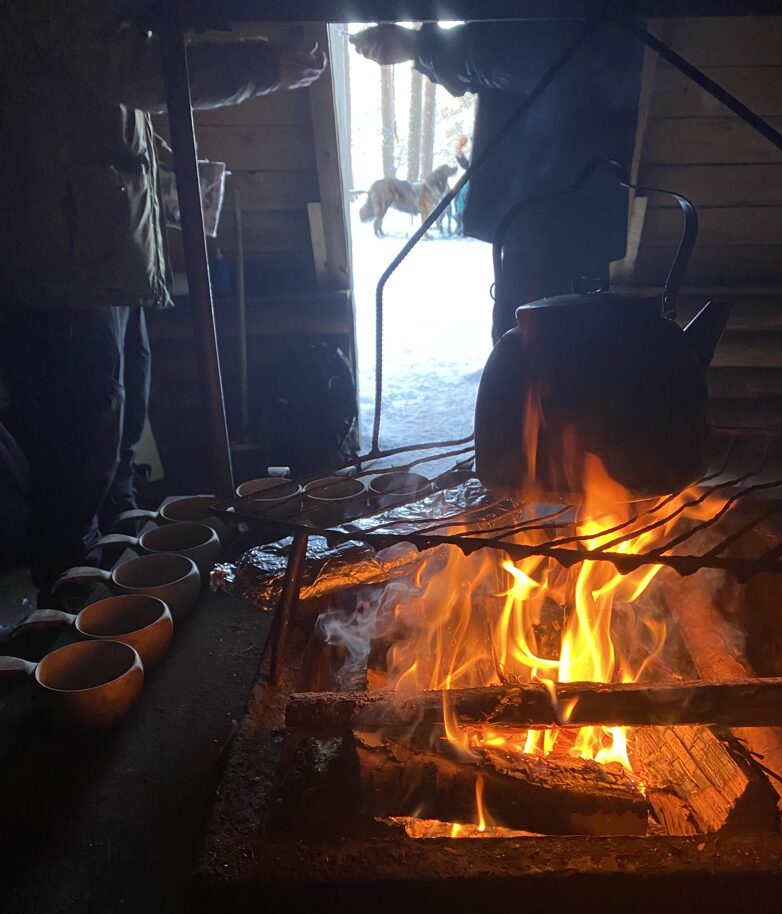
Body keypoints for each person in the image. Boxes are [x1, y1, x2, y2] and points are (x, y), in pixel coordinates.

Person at [0, 2, 325, 601]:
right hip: (61, 260)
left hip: (98, 251)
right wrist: (262, 63)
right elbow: (137, 69)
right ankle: (77, 623)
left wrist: (164, 172)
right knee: (80, 445)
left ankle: (125, 575)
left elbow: (105, 106)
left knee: (117, 430)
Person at [352, 21, 642, 338]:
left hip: (551, 205)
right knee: (547, 352)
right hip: (563, 203)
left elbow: (534, 54)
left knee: (534, 356)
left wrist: (424, 47)